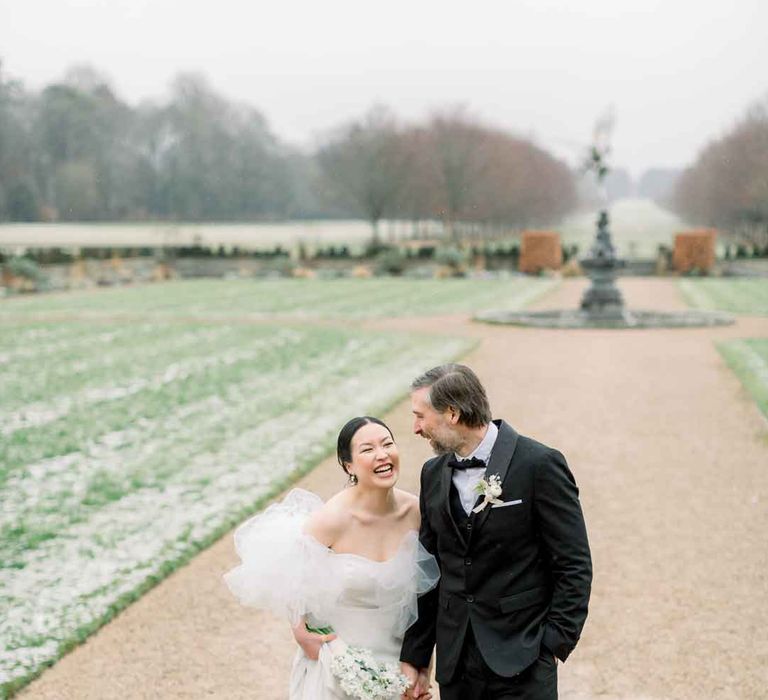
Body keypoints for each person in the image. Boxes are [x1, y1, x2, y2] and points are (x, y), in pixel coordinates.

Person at [399, 364, 592, 700]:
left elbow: (574, 564)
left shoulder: (539, 464)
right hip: (456, 664)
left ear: (453, 413)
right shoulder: (432, 473)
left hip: (523, 658)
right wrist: (416, 656)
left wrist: (552, 644)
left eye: (421, 416)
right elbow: (428, 572)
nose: (415, 428)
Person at [224, 416, 439, 699]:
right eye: (367, 449)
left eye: (387, 444)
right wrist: (300, 631)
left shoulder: (417, 512)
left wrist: (421, 664)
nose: (382, 454)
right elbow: (290, 578)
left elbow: (430, 595)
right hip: (340, 668)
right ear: (348, 465)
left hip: (399, 664)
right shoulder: (331, 519)